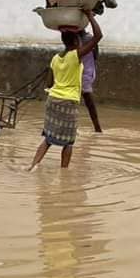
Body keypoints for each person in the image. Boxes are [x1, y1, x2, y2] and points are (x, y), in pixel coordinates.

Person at [27, 10, 102, 171]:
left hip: (52, 100)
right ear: (76, 42)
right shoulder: (75, 56)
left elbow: (50, 82)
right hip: (68, 102)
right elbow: (98, 36)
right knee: (68, 142)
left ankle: (33, 165)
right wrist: (89, 15)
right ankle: (63, 173)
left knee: (48, 139)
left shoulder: (55, 58)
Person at [79, 29, 103, 132]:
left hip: (79, 73)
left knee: (73, 101)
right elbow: (96, 55)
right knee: (89, 102)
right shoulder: (89, 38)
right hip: (86, 72)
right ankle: (97, 128)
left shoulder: (70, 37)